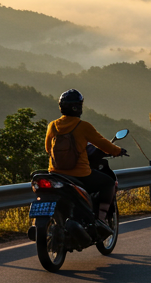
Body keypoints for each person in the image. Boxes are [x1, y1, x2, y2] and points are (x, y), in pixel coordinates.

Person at [46, 89, 127, 218]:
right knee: (109, 183)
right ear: (77, 107)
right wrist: (117, 151)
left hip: (55, 173)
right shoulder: (83, 126)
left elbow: (47, 148)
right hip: (80, 174)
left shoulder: (53, 126)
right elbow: (102, 143)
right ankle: (101, 218)